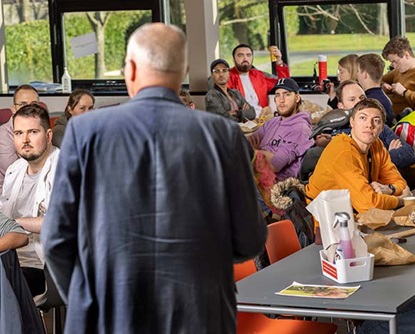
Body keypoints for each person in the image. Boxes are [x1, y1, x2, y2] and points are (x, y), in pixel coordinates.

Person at [41, 23, 266, 334]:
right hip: (199, 313)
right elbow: (250, 240)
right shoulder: (223, 135)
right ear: (184, 70)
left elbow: (56, 238)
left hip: (108, 313)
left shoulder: (84, 132)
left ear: (130, 69)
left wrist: (86, 299)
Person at [306, 98, 412, 213]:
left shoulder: (376, 145)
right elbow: (369, 204)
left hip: (351, 211)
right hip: (323, 216)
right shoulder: (343, 151)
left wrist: (390, 189)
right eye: (363, 118)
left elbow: (400, 182)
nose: (369, 125)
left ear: (382, 128)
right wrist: (402, 200)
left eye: (376, 120)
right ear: (352, 122)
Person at [0, 103, 59, 297]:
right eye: (18, 133)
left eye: (32, 132)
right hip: (9, 258)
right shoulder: (14, 170)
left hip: (44, 267)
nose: (25, 140)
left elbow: (59, 222)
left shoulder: (65, 168)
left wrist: (13, 225)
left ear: (48, 135)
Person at [247, 77, 313, 182]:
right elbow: (248, 141)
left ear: (297, 98)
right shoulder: (273, 122)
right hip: (256, 173)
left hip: (274, 185)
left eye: (287, 94)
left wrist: (256, 151)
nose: (281, 100)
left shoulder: (300, 129)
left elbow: (274, 164)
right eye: (277, 95)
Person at [227, 43, 290, 117]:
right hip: (242, 120)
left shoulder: (259, 75)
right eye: (240, 55)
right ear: (233, 60)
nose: (245, 58)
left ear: (252, 58)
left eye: (248, 55)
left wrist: (279, 62)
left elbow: (284, 84)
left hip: (263, 118)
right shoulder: (227, 77)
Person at [0, 85, 39, 192]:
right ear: (14, 109)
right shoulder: (3, 135)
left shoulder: (42, 130)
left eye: (34, 104)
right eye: (23, 104)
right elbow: (15, 175)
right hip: (8, 196)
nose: (29, 109)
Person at [356, 53, 394, 125]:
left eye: (358, 71)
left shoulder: (368, 102)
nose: (356, 75)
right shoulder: (384, 97)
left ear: (364, 74)